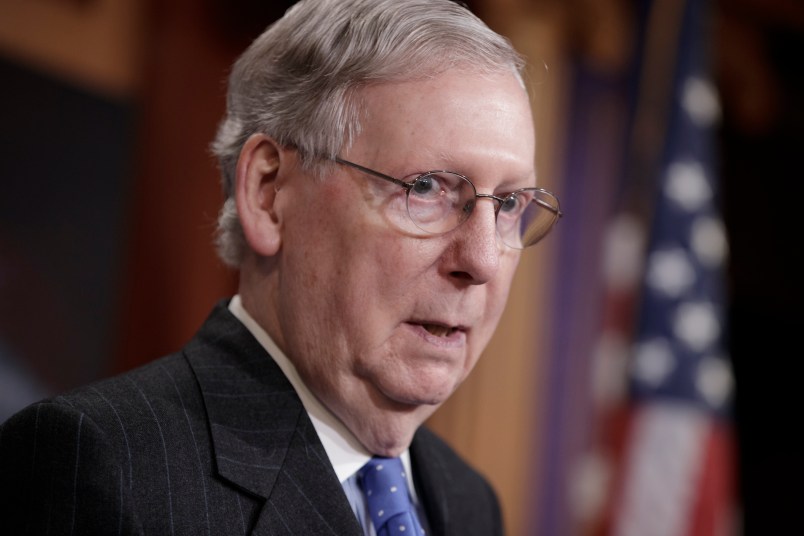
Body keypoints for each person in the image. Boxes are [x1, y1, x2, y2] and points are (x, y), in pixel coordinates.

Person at [0, 0, 562, 534]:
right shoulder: (103, 464)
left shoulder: (467, 502)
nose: (482, 260)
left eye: (509, 203)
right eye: (426, 188)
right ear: (270, 194)